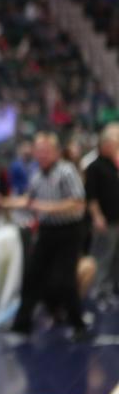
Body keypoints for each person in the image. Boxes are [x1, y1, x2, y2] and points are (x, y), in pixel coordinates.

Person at [0, 132, 88, 338]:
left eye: (46, 151)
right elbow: (28, 200)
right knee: (32, 276)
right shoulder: (37, 175)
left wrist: (45, 207)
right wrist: (4, 202)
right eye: (39, 151)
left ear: (55, 152)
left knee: (65, 279)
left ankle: (78, 324)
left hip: (68, 231)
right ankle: (22, 324)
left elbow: (77, 202)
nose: (42, 155)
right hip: (47, 232)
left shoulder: (66, 171)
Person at [86, 124, 119, 304]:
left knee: (115, 256)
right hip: (105, 220)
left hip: (116, 219)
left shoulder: (113, 165)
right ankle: (96, 289)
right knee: (102, 256)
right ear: (105, 144)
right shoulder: (94, 167)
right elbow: (91, 196)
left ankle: (112, 288)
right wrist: (97, 216)